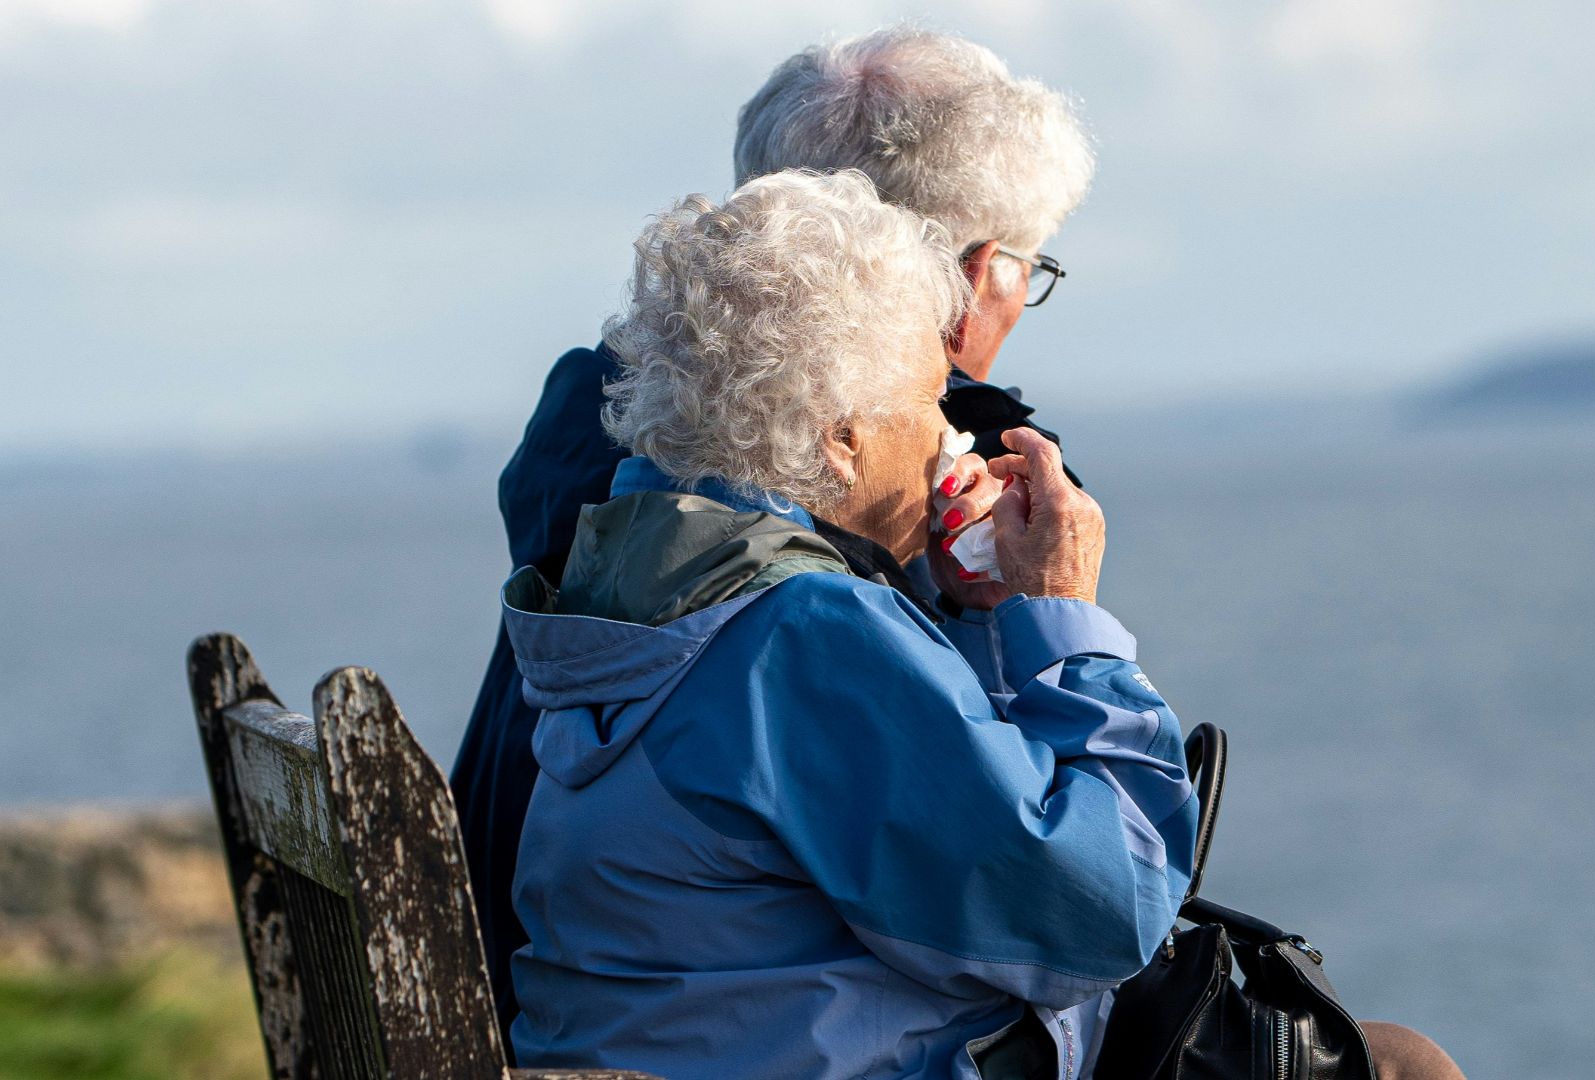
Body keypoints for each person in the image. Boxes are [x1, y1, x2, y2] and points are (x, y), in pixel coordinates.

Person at [450, 26, 1097, 1045]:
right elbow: (1058, 906)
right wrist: (1050, 617)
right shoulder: (836, 545)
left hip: (521, 960)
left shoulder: (613, 437)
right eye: (1029, 262)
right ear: (967, 275)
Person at [502, 170, 1196, 1078]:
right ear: (841, 437)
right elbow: (1101, 915)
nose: (948, 431)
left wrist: (974, 612)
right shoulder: (802, 632)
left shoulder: (636, 579)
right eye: (926, 399)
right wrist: (1060, 615)